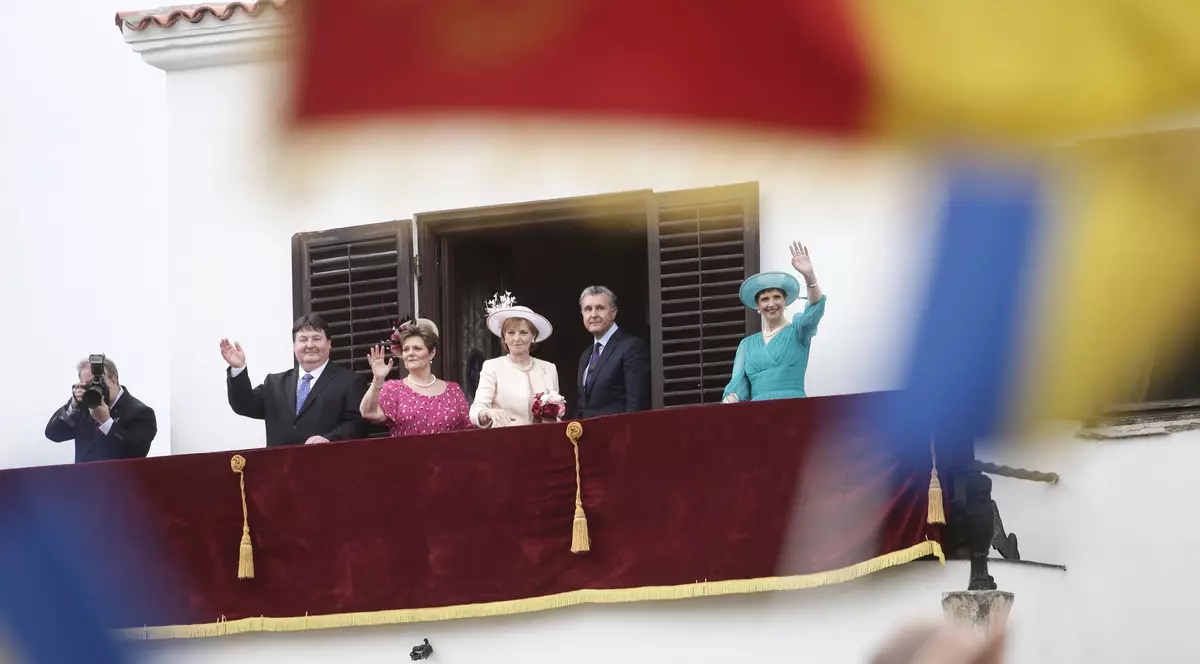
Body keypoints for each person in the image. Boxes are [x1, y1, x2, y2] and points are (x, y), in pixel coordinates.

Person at [221, 314, 369, 446]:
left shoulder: (350, 381)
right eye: (303, 339)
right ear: (294, 346)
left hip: (326, 464)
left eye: (317, 339)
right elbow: (244, 405)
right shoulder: (274, 384)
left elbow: (358, 424)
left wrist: (330, 440)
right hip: (280, 466)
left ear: (329, 343)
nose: (310, 345)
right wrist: (238, 368)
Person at [722, 241, 827, 403]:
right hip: (760, 413)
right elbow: (737, 385)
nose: (771, 304)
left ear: (785, 301)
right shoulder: (747, 345)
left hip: (796, 409)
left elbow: (815, 308)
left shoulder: (799, 331)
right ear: (758, 306)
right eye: (765, 299)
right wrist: (730, 399)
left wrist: (809, 276)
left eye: (777, 297)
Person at [360, 318, 471, 437]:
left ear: (432, 353)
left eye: (417, 348)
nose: (410, 353)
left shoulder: (453, 390)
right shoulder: (393, 389)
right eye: (406, 349)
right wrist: (378, 380)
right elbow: (368, 413)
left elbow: (469, 430)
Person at [470, 292, 561, 428]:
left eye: (523, 333)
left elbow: (557, 413)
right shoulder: (492, 367)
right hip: (506, 438)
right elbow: (476, 410)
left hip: (542, 438)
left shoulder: (549, 369)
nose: (517, 339)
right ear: (504, 338)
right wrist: (489, 413)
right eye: (511, 333)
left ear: (533, 337)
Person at [44, 356, 157, 462]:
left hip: (118, 476)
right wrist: (72, 407)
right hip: (83, 475)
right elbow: (53, 434)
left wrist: (106, 423)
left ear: (113, 380)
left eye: (98, 382)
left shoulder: (141, 413)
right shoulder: (84, 407)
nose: (94, 388)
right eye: (88, 385)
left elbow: (138, 452)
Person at [575, 285, 650, 418]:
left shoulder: (632, 347)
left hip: (618, 430)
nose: (593, 315)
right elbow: (583, 407)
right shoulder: (586, 355)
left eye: (600, 308)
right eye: (588, 309)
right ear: (582, 314)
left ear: (613, 313)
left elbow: (636, 405)